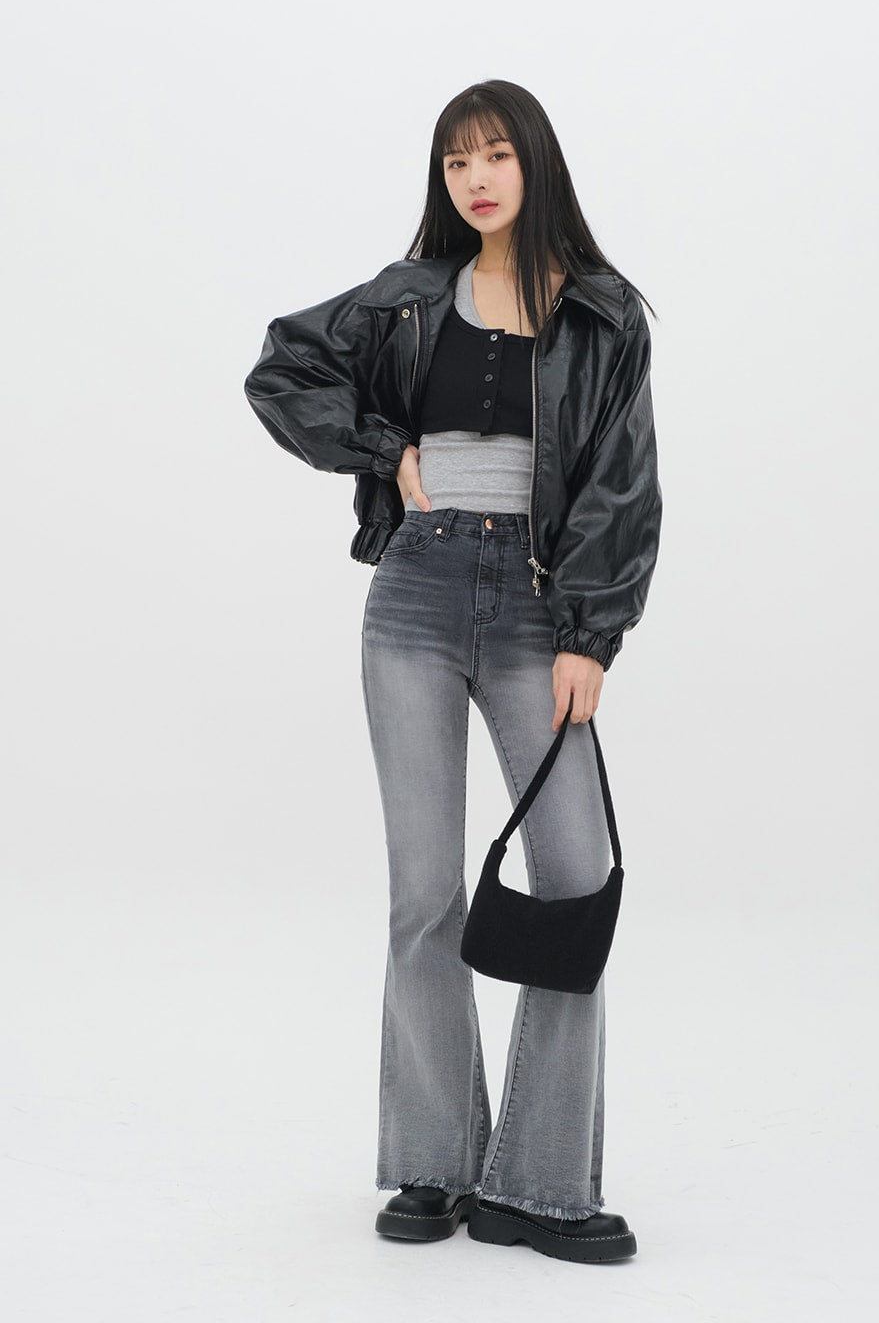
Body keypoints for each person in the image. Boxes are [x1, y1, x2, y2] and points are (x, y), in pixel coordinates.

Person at [243, 79, 662, 1264]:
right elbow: (281, 371)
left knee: (572, 879)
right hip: (415, 597)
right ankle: (433, 1162)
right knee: (424, 893)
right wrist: (384, 449)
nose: (475, 179)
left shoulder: (602, 312)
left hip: (538, 611)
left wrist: (589, 633)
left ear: (535, 163)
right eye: (454, 161)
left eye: (494, 156)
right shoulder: (406, 296)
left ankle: (538, 1184)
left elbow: (623, 480)